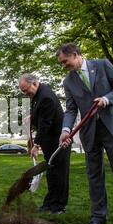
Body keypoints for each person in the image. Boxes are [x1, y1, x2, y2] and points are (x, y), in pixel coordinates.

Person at [57, 43, 113, 224]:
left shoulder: (102, 65)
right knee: (94, 175)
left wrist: (107, 98)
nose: (64, 66)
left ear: (76, 54)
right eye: (61, 64)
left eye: (65, 62)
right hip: (90, 132)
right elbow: (71, 109)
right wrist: (65, 129)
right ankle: (98, 217)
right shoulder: (68, 82)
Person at [19, 74, 71, 214]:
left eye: (26, 90)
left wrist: (36, 146)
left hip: (58, 140)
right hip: (50, 140)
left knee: (59, 173)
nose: (25, 94)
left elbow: (45, 124)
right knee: (51, 172)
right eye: (22, 91)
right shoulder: (38, 94)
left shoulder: (45, 97)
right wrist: (32, 116)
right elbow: (42, 114)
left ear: (34, 83)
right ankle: (49, 204)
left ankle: (59, 206)